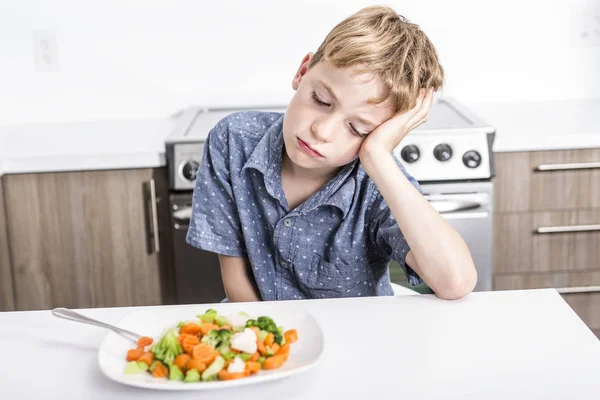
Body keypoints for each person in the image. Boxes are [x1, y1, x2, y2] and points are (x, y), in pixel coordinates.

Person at [186, 5, 477, 302]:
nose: (322, 132)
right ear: (303, 72)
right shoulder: (233, 139)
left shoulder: (376, 183)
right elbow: (236, 279)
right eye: (321, 100)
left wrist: (377, 154)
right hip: (260, 332)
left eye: (358, 129)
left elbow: (455, 282)